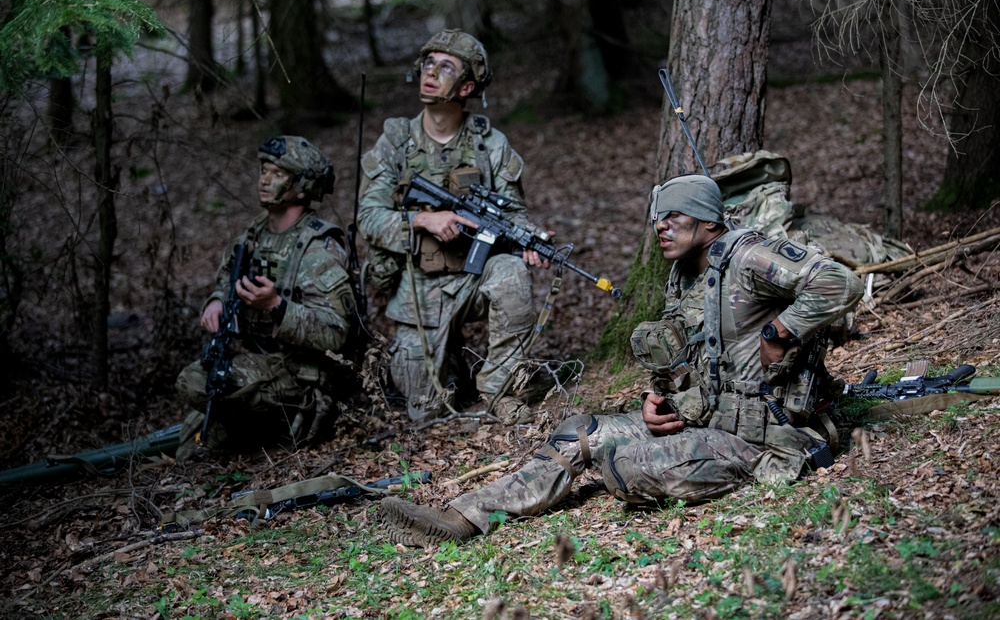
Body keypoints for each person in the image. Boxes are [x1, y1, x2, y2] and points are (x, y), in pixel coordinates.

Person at [378, 174, 864, 546]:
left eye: (674, 217)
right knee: (578, 433)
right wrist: (658, 397)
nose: (661, 227)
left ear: (709, 219)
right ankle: (463, 517)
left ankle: (649, 468)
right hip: (706, 418)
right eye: (658, 218)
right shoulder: (685, 273)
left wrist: (781, 331)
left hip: (768, 437)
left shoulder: (749, 255)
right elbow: (685, 352)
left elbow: (839, 283)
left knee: (624, 466)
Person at [357, 29, 547, 426]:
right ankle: (453, 363)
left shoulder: (489, 144)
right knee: (422, 411)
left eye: (446, 67)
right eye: (428, 63)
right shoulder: (395, 140)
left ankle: (499, 388)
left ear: (467, 86)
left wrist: (528, 241)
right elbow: (368, 218)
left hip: (474, 278)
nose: (431, 73)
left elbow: (513, 213)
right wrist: (422, 219)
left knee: (512, 274)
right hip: (417, 286)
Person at [175, 136, 357, 460]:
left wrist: (276, 307)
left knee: (192, 382)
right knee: (190, 449)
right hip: (261, 362)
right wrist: (217, 302)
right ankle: (249, 430)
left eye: (277, 173)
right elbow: (225, 279)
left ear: (302, 186)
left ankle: (272, 430)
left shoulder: (318, 248)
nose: (264, 179)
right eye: (263, 170)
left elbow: (337, 332)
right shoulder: (254, 235)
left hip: (303, 376)